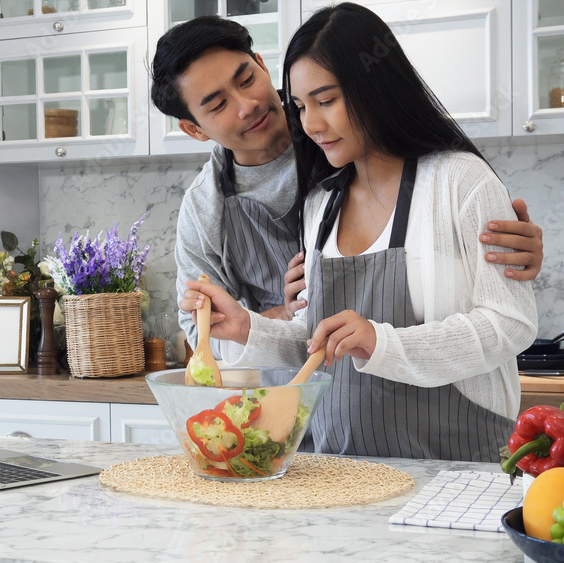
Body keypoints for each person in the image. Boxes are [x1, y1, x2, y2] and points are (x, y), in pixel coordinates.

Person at [181, 3, 538, 462]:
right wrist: (248, 327)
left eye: (326, 101)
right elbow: (318, 342)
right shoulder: (321, 204)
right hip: (343, 469)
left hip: (456, 462)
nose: (310, 124)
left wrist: (382, 341)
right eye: (302, 106)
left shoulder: (460, 182)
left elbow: (511, 323)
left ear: (375, 86)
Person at [148, 15, 543, 360]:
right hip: (291, 392)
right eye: (217, 105)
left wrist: (497, 244)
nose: (247, 104)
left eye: (247, 79)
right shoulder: (205, 208)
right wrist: (281, 316)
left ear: (262, 66)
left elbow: (497, 300)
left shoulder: (354, 146)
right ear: (193, 129)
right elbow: (203, 330)